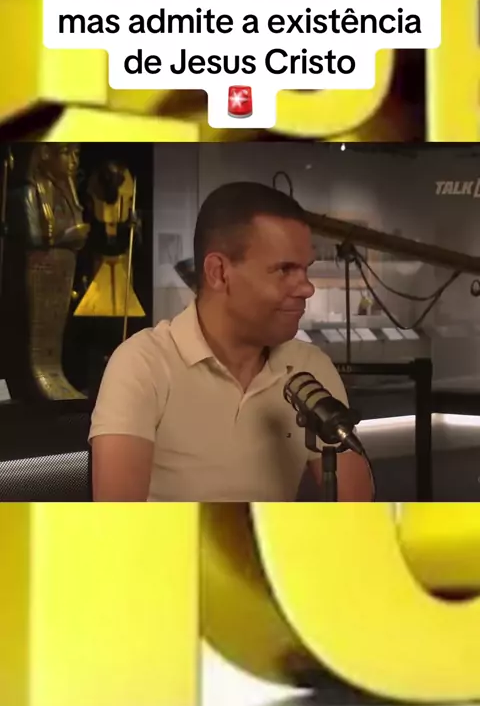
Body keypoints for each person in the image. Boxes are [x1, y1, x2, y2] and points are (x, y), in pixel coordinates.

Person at [89, 182, 374, 501]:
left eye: (305, 269)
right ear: (219, 272)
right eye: (284, 269)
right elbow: (118, 520)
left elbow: (358, 507)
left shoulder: (310, 367)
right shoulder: (143, 364)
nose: (307, 288)